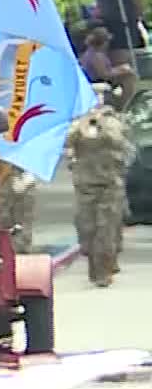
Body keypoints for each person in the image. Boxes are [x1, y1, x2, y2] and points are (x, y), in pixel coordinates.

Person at [67, 89, 132, 287]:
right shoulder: (79, 124)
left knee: (106, 229)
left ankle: (104, 271)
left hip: (109, 185)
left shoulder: (114, 122)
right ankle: (95, 266)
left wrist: (103, 125)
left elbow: (120, 142)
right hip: (85, 184)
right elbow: (68, 144)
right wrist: (82, 126)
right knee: (86, 228)